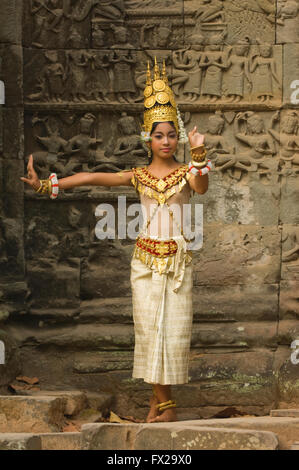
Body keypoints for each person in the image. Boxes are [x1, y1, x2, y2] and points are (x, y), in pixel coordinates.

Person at [20, 59, 212, 423]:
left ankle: (162, 404)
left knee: (172, 333)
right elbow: (94, 176)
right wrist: (48, 185)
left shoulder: (189, 171)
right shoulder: (138, 175)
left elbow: (201, 187)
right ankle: (164, 405)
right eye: (159, 135)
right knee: (148, 330)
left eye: (172, 135)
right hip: (144, 262)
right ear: (147, 138)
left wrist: (199, 152)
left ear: (179, 137)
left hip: (176, 264)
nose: (167, 142)